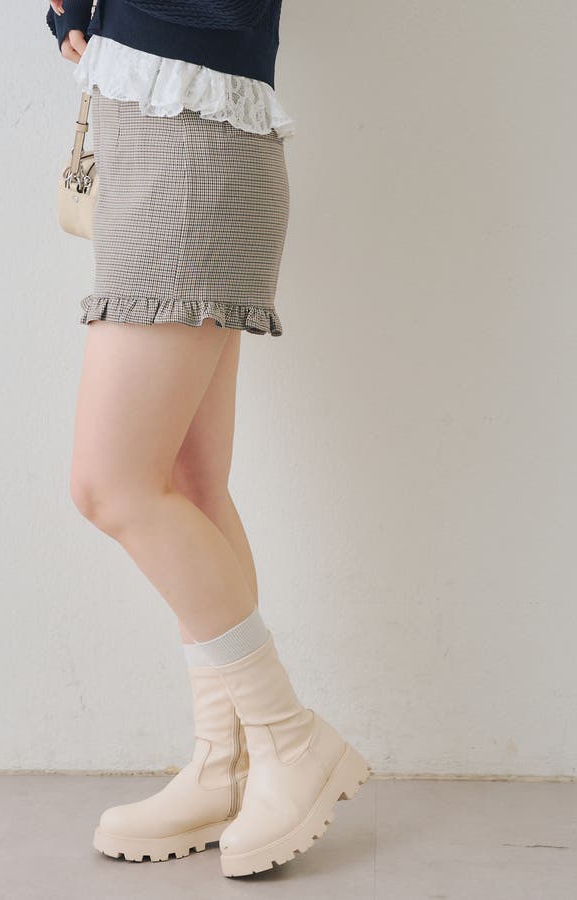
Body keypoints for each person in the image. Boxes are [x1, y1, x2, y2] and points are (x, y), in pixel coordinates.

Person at [45, 0, 370, 878]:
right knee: (188, 485)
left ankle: (286, 738)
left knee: (110, 485)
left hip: (192, 139)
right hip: (162, 131)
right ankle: (224, 765)